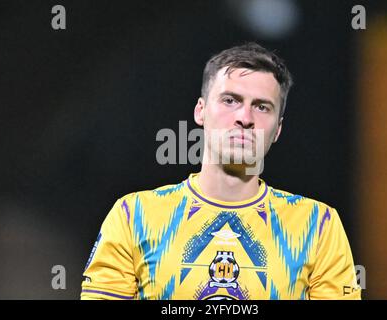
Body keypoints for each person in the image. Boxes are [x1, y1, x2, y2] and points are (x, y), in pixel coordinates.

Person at [81, 42, 361, 300]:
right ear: (200, 111)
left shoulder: (318, 227)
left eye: (262, 107)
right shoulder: (132, 217)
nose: (245, 118)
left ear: (278, 129)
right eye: (230, 100)